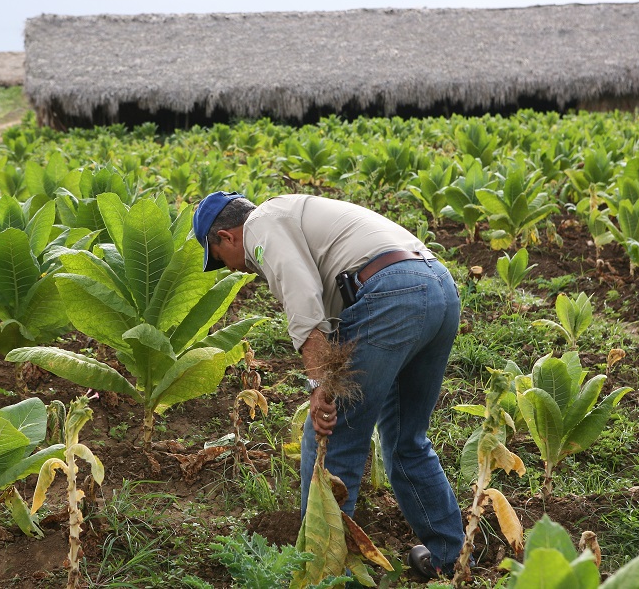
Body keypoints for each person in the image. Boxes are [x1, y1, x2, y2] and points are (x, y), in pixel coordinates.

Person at [192, 191, 465, 579]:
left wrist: (320, 381)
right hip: (438, 287)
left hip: (392, 296)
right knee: (406, 438)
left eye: (221, 259)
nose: (235, 269)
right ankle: (448, 558)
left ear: (226, 236)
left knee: (331, 434)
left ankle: (321, 571)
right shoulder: (292, 211)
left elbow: (303, 300)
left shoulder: (260, 226)